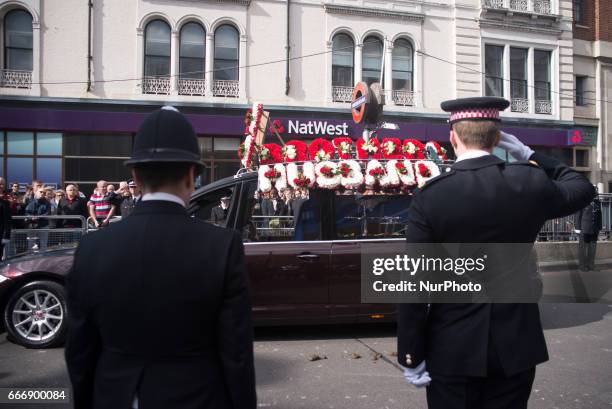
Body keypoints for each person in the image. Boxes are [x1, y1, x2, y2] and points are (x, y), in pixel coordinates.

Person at [398, 97, 595, 409]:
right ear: (497, 137)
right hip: (515, 345)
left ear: (453, 136)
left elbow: (416, 284)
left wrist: (411, 354)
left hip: (453, 345)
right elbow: (582, 187)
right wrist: (529, 154)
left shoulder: (431, 196)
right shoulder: (529, 181)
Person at [65, 106, 256, 409]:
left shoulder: (92, 247)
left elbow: (80, 354)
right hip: (199, 397)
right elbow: (237, 353)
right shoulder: (222, 246)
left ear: (136, 176)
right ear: (192, 175)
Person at [575, 192, 602, 271]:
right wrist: (578, 228)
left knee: (592, 248)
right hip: (584, 228)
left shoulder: (597, 202)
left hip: (594, 229)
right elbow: (577, 215)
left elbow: (599, 215)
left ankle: (591, 265)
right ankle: (582, 266)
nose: (595, 195)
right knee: (583, 248)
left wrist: (599, 227)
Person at [0, 178, 12, 258]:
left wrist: (6, 236)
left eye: (2, 184)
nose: (0, 186)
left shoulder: (5, 202)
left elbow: (7, 220)